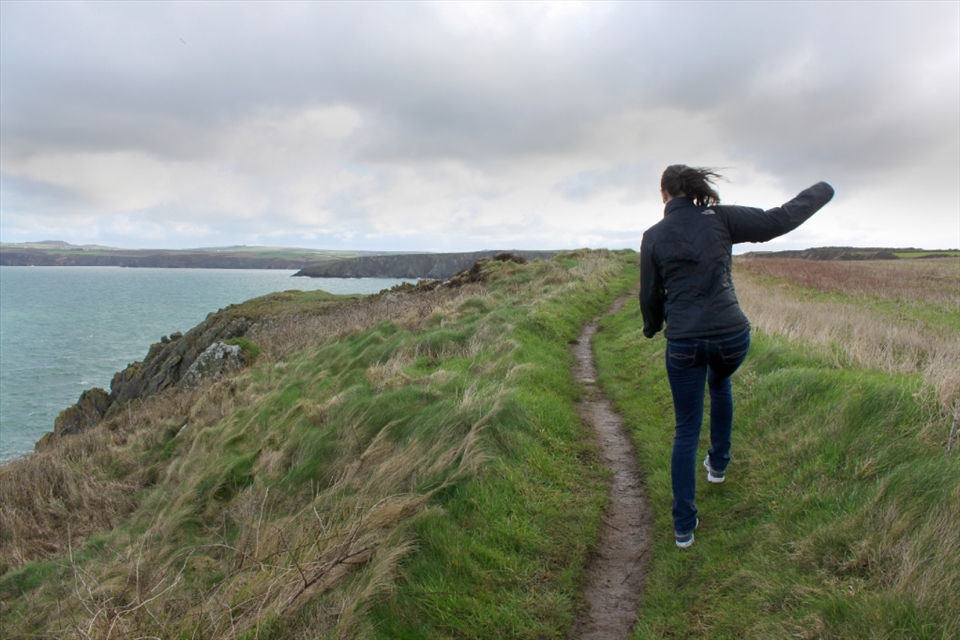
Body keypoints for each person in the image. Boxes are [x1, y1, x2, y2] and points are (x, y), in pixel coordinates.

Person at [639, 165, 834, 549]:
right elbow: (779, 219)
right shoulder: (722, 218)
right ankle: (719, 465)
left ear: (664, 194)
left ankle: (684, 527)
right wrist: (822, 190)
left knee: (686, 429)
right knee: (722, 382)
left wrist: (652, 326)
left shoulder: (654, 236)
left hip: (685, 343)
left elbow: (649, 295)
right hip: (732, 336)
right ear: (693, 189)